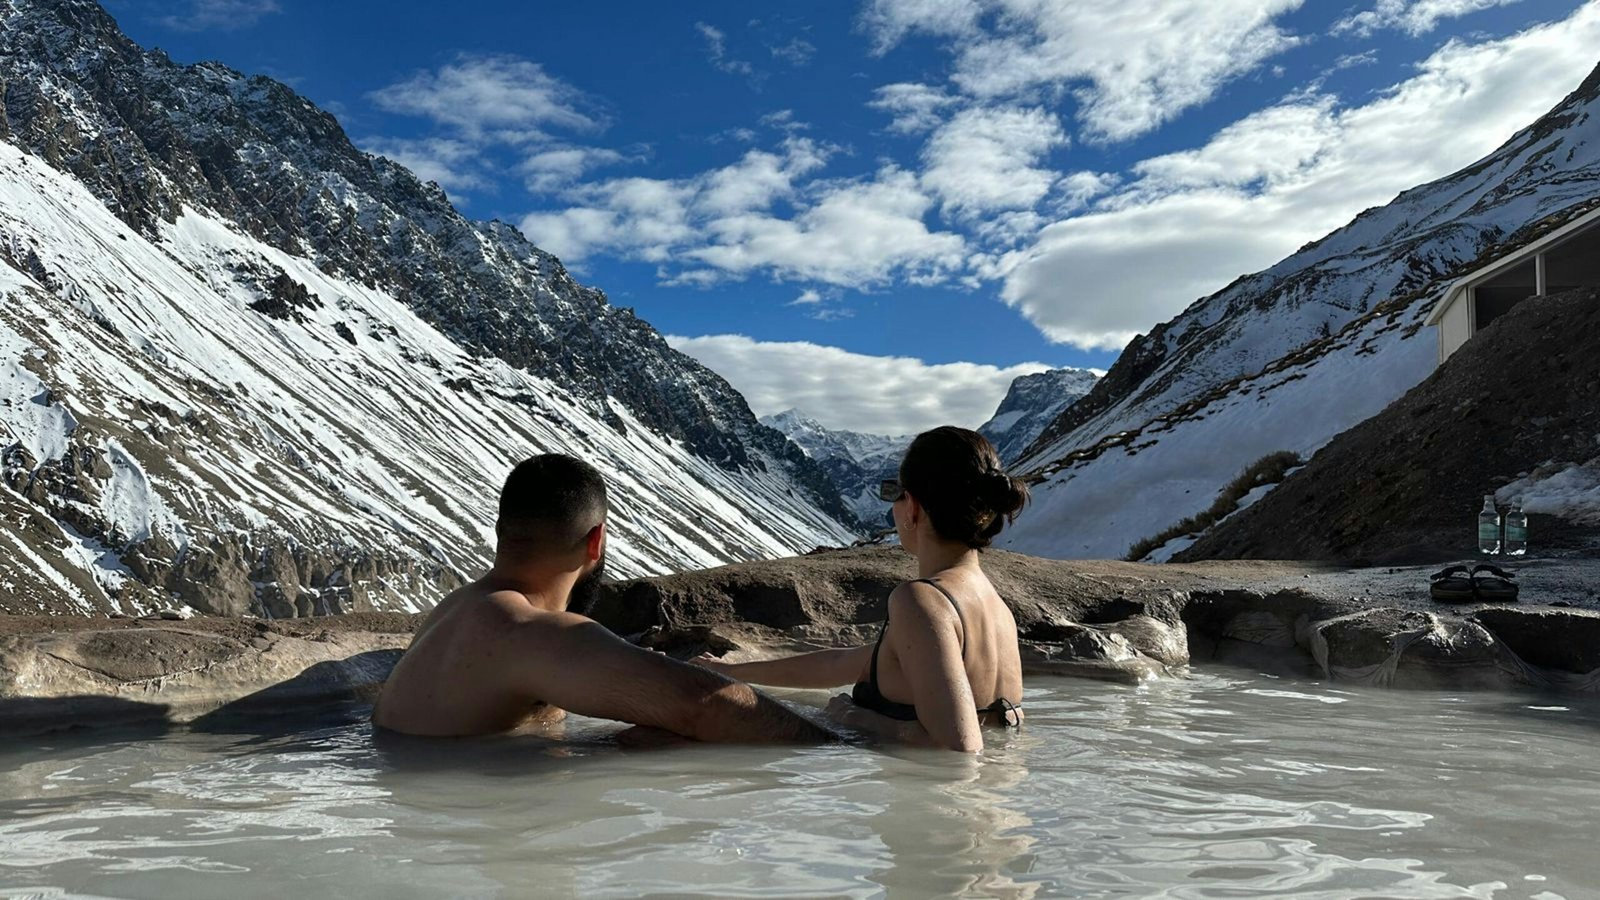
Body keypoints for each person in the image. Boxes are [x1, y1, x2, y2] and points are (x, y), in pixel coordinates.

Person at [373, 453, 833, 744]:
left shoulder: (454, 610)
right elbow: (706, 702)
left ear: (502, 530)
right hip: (486, 830)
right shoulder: (528, 630)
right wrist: (840, 749)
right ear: (596, 541)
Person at [694, 426, 1028, 753]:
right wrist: (728, 672)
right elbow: (846, 662)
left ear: (912, 506)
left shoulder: (923, 599)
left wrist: (856, 718)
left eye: (892, 493)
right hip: (998, 804)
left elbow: (957, 749)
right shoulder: (996, 608)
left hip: (937, 807)